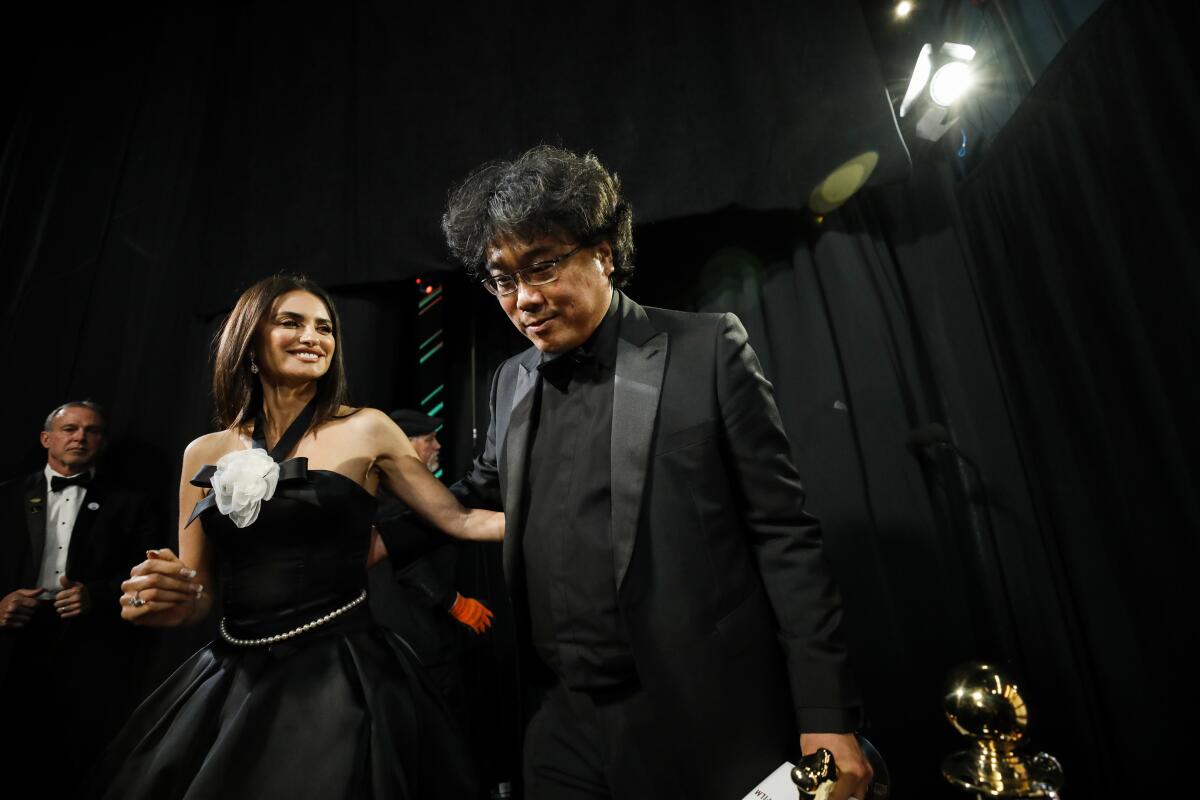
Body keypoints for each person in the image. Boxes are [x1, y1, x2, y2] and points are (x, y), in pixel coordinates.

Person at [441, 145, 872, 800]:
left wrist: (827, 717)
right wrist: (376, 529)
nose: (523, 298)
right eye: (502, 279)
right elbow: (474, 494)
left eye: (543, 266)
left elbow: (786, 540)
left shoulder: (708, 350)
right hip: (559, 718)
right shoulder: (510, 381)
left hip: (697, 710)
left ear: (604, 254)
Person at [89, 275, 503, 800]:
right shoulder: (203, 451)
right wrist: (163, 600)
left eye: (324, 327)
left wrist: (559, 519)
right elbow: (200, 595)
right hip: (234, 672)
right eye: (291, 322)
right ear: (250, 340)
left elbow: (461, 520)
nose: (314, 336)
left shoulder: (368, 428)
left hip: (342, 672)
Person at [0, 401, 160, 791]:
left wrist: (99, 596)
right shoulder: (5, 497)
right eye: (70, 428)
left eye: (92, 431)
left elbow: (147, 571)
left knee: (71, 757)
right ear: (46, 438)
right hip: (13, 638)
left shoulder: (131, 504)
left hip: (88, 642)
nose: (80, 437)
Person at [368, 408, 494, 716]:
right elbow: (407, 560)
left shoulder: (416, 495)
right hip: (417, 643)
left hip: (432, 635)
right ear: (406, 445)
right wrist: (454, 602)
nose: (437, 446)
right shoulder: (391, 499)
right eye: (429, 439)